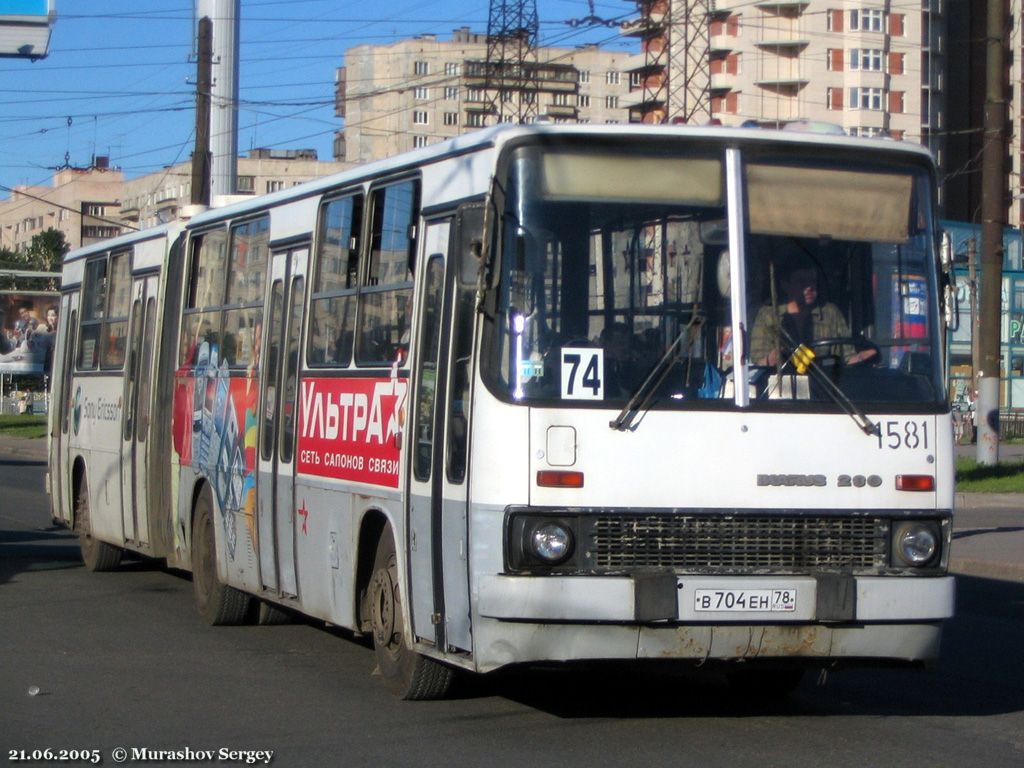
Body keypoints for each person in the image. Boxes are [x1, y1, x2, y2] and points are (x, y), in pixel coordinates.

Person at [749, 267, 876, 367]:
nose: (809, 287)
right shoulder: (768, 315)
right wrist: (772, 359)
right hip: (779, 391)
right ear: (785, 285)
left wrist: (862, 358)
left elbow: (847, 358)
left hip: (825, 391)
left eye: (812, 281)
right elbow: (757, 365)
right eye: (802, 281)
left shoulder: (830, 313)